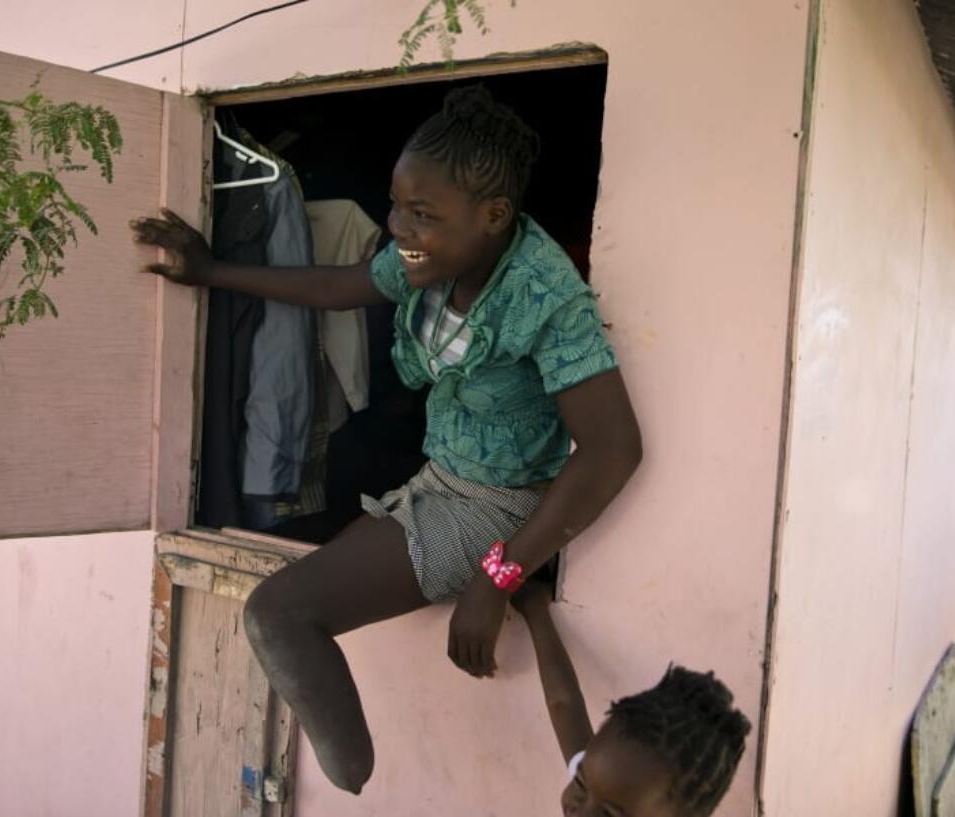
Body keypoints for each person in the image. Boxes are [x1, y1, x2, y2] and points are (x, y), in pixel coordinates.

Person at [130, 85, 642, 794]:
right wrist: (211, 272)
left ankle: (346, 779)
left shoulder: (545, 299)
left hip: (497, 507)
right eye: (398, 205)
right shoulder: (424, 259)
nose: (398, 226)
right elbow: (341, 284)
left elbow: (614, 450)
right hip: (440, 475)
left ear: (493, 216)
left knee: (279, 613)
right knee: (300, 581)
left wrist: (503, 574)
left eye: (421, 214)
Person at [511, 582, 752, 817]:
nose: (581, 813)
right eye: (581, 785)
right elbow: (562, 703)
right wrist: (534, 607)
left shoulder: (608, 784)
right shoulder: (605, 781)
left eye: (609, 815)